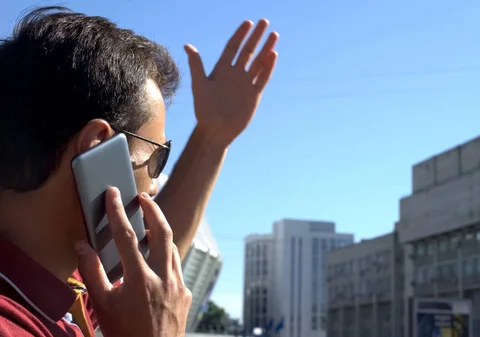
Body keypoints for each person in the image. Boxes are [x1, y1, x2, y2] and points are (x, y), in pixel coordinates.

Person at [0, 5, 278, 337]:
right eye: (158, 158)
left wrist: (213, 137)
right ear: (97, 147)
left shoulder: (56, 295)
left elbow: (144, 272)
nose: (156, 186)